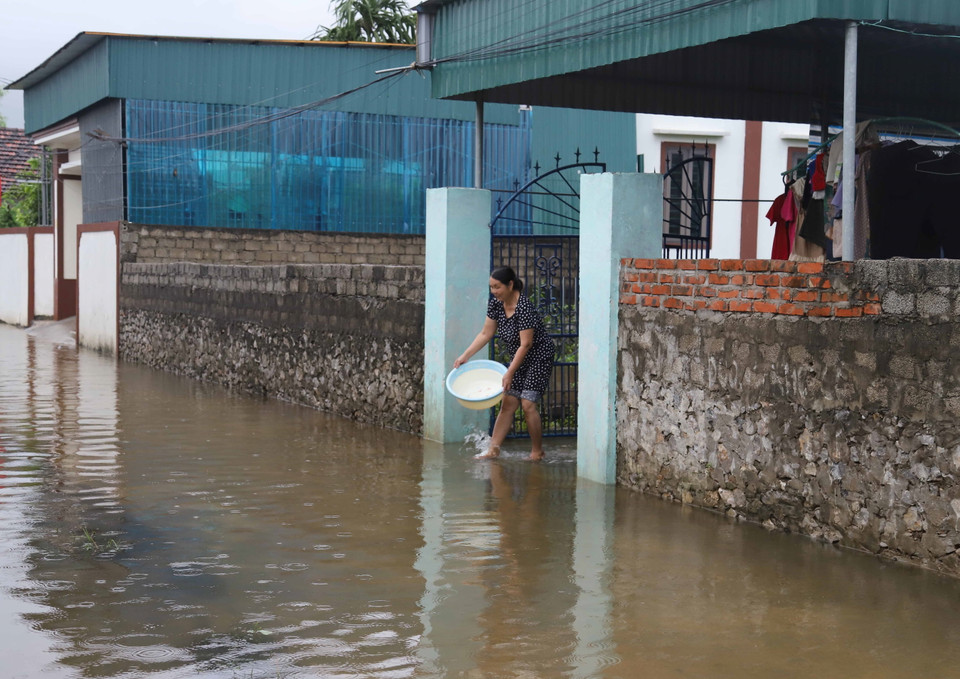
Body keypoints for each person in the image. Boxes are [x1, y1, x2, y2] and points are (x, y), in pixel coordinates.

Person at [453, 266, 555, 461]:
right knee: (508, 403)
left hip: (538, 357)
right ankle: (493, 449)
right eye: (491, 287)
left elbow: (526, 344)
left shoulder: (524, 307)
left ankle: (537, 451)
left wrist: (509, 372)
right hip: (519, 356)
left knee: (527, 404)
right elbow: (486, 333)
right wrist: (466, 355)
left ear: (510, 285)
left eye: (497, 287)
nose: (494, 291)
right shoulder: (495, 304)